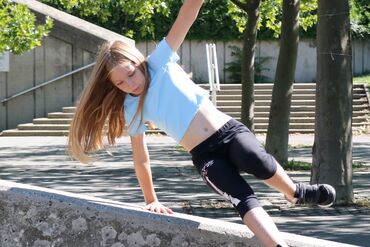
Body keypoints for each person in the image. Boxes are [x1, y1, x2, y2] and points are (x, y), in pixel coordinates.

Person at [68, 1, 336, 246]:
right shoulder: (131, 107)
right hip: (205, 155)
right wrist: (151, 200)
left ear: (138, 63)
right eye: (120, 83)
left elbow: (187, 14)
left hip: (229, 132)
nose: (131, 84)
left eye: (131, 74)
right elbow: (141, 158)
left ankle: (295, 192)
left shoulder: (159, 61)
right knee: (242, 199)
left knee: (259, 162)